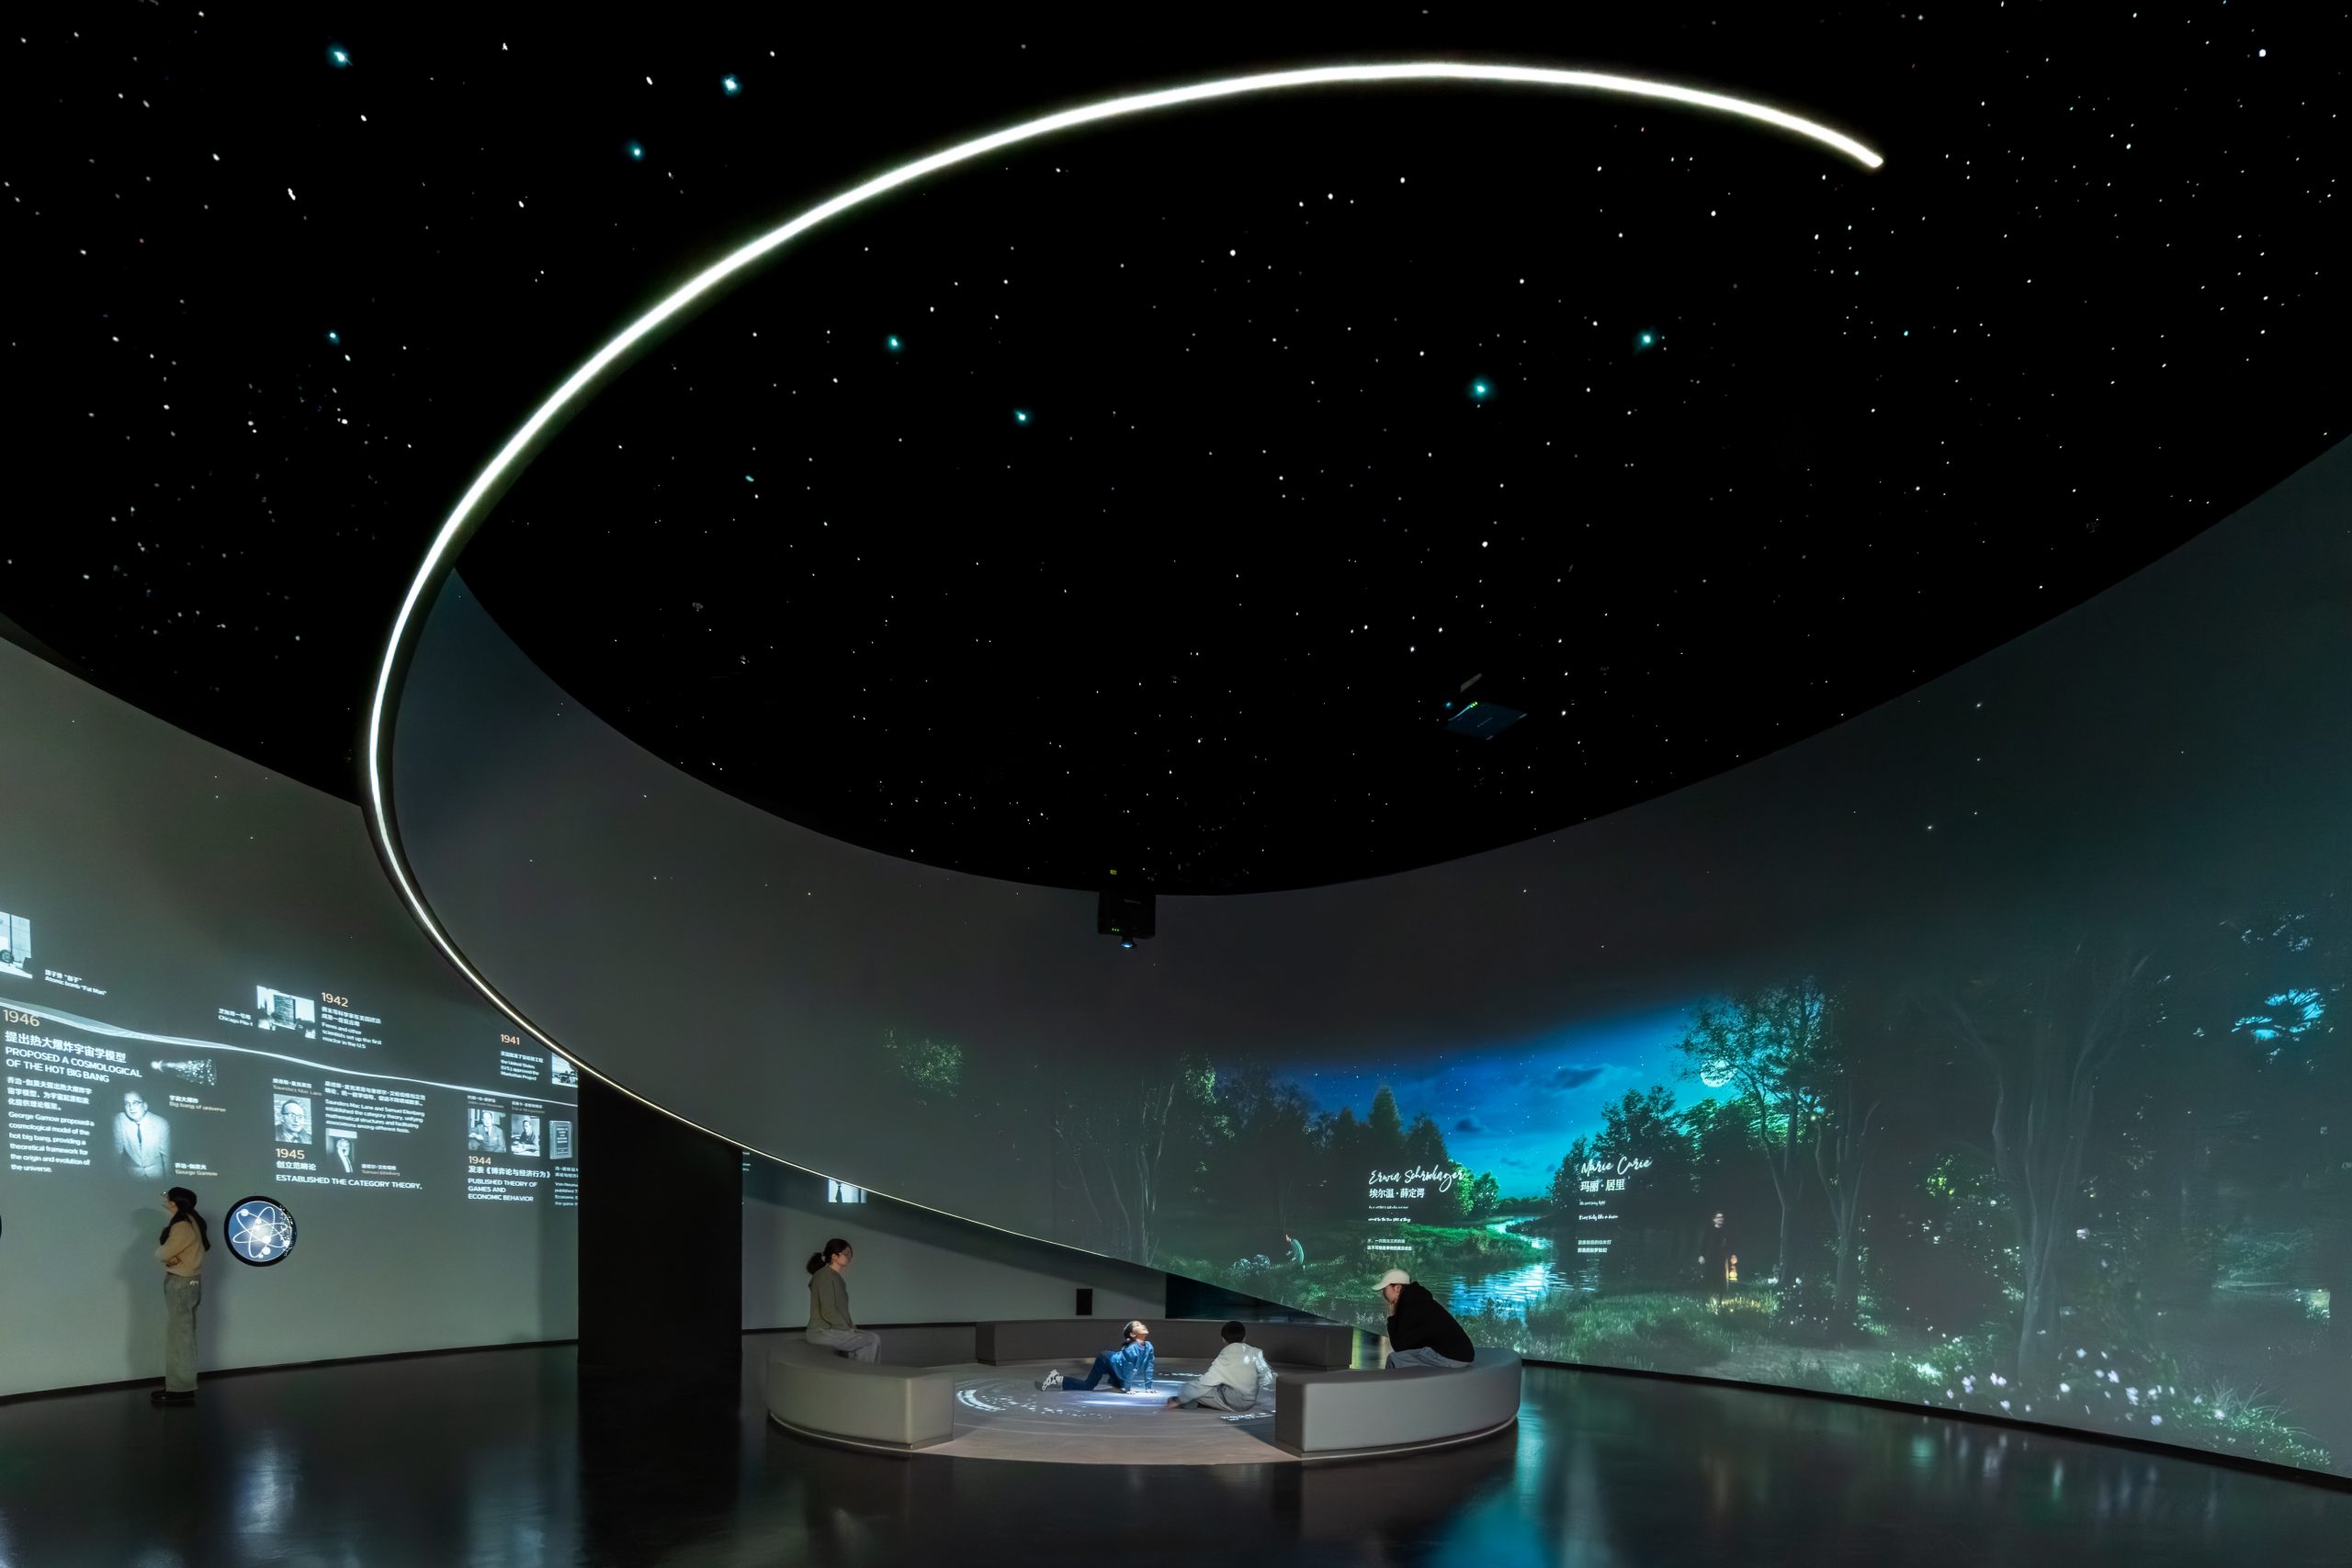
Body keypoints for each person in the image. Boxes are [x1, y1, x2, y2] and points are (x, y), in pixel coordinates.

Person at [153, 1187, 209, 1404]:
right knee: (183, 1335)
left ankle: (180, 1389)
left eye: (167, 1198)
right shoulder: (191, 1221)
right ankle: (179, 1386)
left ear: (174, 1203)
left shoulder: (182, 1226)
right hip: (189, 1282)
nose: (164, 1200)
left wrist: (167, 1253)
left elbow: (162, 1253)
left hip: (181, 1283)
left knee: (180, 1337)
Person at [1165, 1321, 1274, 1413]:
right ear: (1245, 1337)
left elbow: (1206, 1382)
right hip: (1251, 1401)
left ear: (1223, 1339)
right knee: (1214, 1388)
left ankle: (1187, 1401)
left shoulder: (1225, 1356)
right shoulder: (1256, 1352)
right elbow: (1267, 1378)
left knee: (1192, 1389)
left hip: (1235, 1402)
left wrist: (1180, 1398)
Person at [1377, 1269, 1476, 1371]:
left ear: (1397, 1288)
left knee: (1394, 1359)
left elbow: (1399, 1347)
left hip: (1454, 1357)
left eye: (1385, 1289)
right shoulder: (1417, 1299)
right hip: (1462, 1354)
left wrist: (1392, 1317)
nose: (1383, 1293)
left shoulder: (1410, 1305)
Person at [805, 1237, 879, 1362]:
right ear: (834, 1256)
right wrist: (847, 1329)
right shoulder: (824, 1275)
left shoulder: (836, 1278)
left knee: (873, 1337)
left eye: (851, 1253)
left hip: (833, 1329)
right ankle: (864, 1372)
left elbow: (842, 1310)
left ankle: (863, 1370)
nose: (850, 1256)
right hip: (821, 1332)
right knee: (870, 1340)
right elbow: (828, 1311)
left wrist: (851, 1327)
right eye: (846, 1253)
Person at [1038, 1320, 1154, 1393]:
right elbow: (1128, 1371)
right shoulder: (1131, 1350)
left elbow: (1149, 1367)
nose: (1143, 1325)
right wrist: (1127, 1388)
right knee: (1088, 1386)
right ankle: (1056, 1378)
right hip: (1105, 1360)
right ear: (1133, 1334)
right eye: (1138, 1325)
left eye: (1142, 1324)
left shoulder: (1149, 1346)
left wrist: (1148, 1388)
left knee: (1120, 1384)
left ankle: (1112, 1379)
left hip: (1116, 1366)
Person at [115, 1090, 171, 1179]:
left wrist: (169, 1182)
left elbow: (167, 1157)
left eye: (135, 1103)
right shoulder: (119, 1119)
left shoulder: (161, 1123)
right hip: (131, 1177)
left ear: (145, 1106)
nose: (131, 1108)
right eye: (127, 1104)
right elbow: (116, 1153)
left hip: (157, 1177)